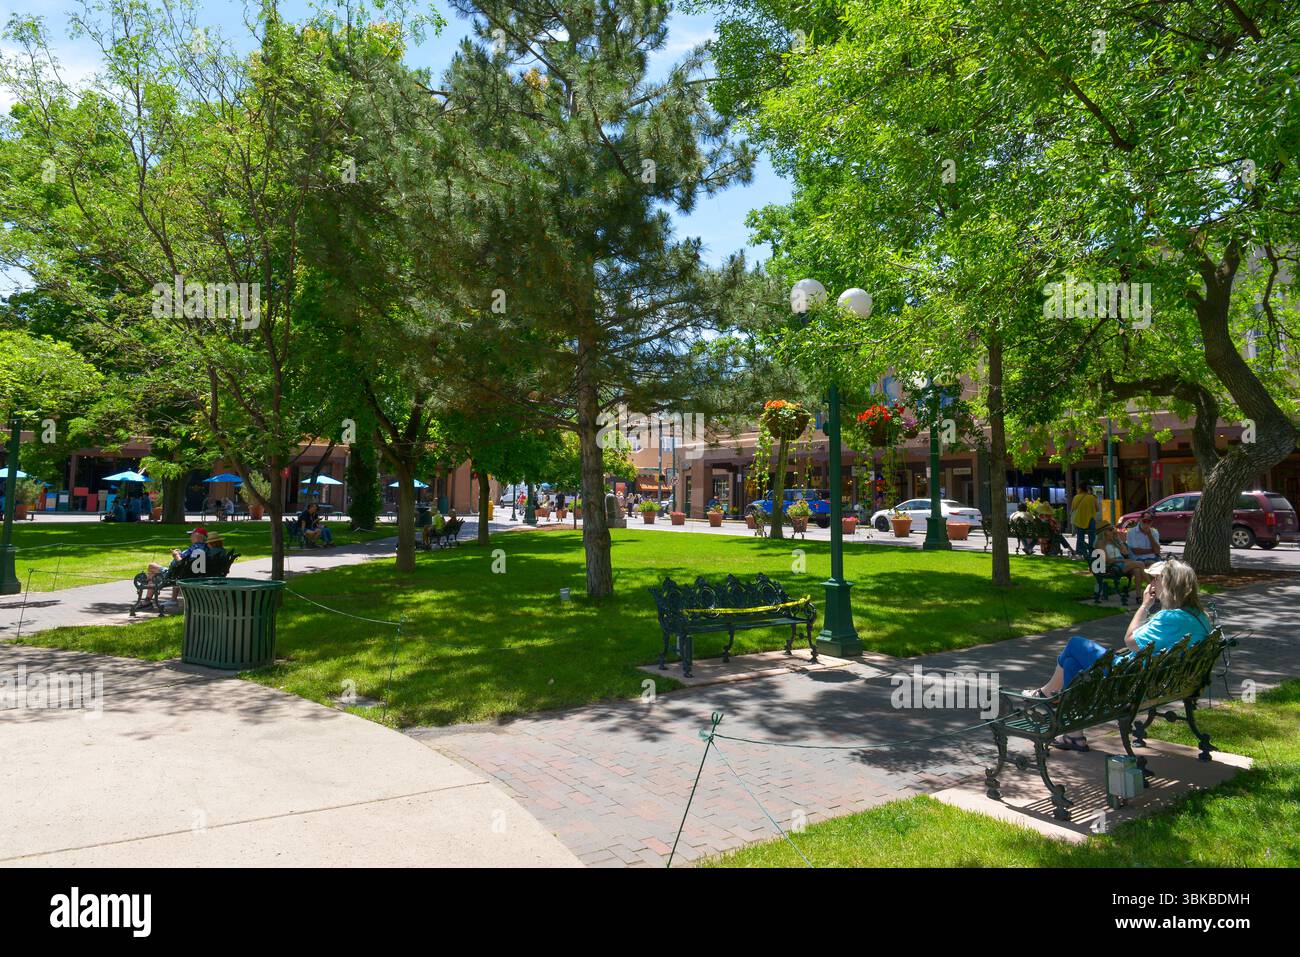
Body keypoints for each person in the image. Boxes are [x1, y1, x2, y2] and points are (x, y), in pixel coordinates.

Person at [1026, 558, 1212, 750]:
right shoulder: (1200, 617)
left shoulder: (1170, 617)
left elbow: (1130, 640)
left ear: (1169, 584)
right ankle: (1074, 736)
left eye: (1156, 579)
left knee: (1074, 644)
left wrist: (1144, 606)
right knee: (1072, 663)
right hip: (1160, 682)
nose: (1152, 584)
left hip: (1127, 681)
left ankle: (1046, 693)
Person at [143, 526, 210, 603]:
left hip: (177, 575)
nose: (190, 537)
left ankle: (147, 596)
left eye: (191, 535)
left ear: (197, 536)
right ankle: (149, 597)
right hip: (190, 574)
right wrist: (180, 553)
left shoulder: (195, 548)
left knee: (152, 567)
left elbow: (182, 564)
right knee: (153, 576)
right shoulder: (205, 548)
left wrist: (176, 555)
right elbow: (189, 561)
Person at [1070, 485, 1099, 556]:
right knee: (1092, 537)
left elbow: (1073, 508)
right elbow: (1097, 509)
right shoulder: (1092, 498)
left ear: (1080, 489)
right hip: (1090, 520)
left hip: (1079, 520)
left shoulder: (1076, 497)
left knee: (1080, 537)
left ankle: (1080, 552)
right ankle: (1092, 553)